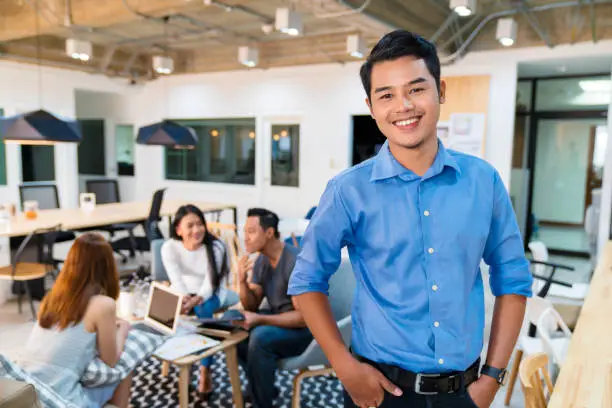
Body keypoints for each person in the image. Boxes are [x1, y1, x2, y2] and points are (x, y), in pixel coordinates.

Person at [288, 30, 533, 408]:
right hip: (380, 391)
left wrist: (492, 377)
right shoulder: (347, 190)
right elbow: (306, 281)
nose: (403, 106)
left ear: (441, 91)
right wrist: (344, 365)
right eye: (386, 95)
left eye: (416, 89)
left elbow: (513, 279)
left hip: (465, 393)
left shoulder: (483, 181)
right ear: (371, 107)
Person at [15, 233, 133, 408]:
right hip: (60, 398)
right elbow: (110, 361)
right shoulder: (103, 305)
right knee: (126, 366)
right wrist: (123, 328)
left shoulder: (53, 298)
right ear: (107, 267)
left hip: (25, 390)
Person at [233, 207, 312, 408]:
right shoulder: (262, 260)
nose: (246, 238)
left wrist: (260, 320)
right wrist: (241, 281)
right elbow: (251, 304)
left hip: (305, 332)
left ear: (269, 233)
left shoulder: (295, 261)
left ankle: (262, 402)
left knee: (259, 336)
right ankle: (262, 386)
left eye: (251, 231)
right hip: (280, 322)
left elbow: (304, 318)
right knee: (232, 322)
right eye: (245, 232)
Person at [161, 204, 232, 398]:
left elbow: (210, 285)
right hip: (183, 292)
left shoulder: (216, 247)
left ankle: (204, 369)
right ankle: (175, 354)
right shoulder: (169, 247)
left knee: (202, 310)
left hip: (213, 292)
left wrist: (193, 302)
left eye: (200, 224)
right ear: (178, 229)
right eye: (190, 226)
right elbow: (176, 280)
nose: (196, 230)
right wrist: (184, 300)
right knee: (160, 310)